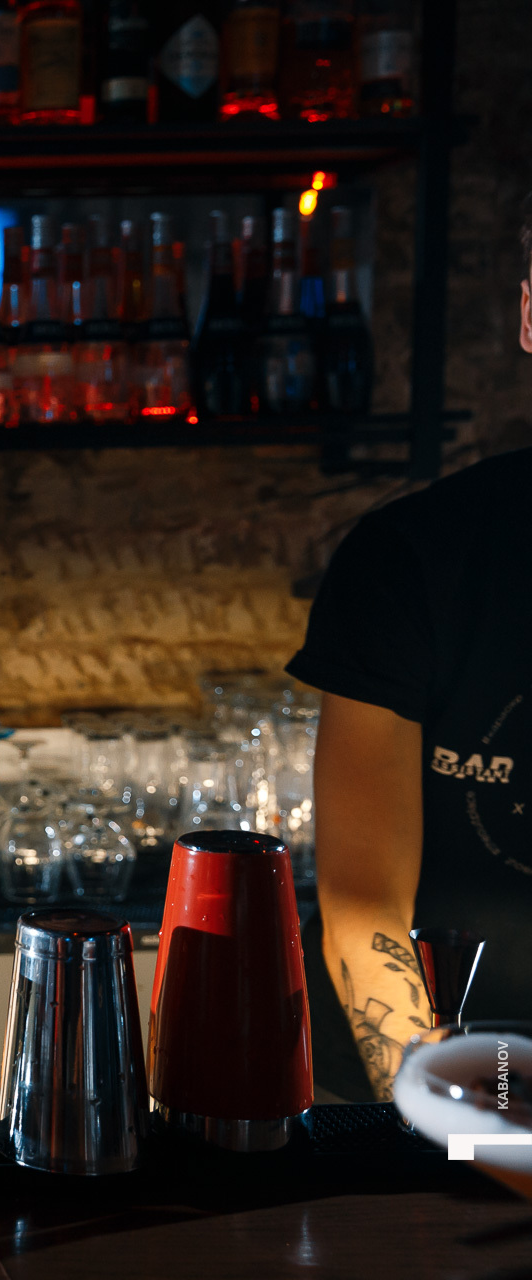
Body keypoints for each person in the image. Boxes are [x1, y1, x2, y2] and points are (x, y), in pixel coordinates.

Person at [286, 204, 532, 1103]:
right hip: (448, 1073)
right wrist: (452, 1129)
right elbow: (365, 909)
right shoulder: (412, 560)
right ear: (529, 315)